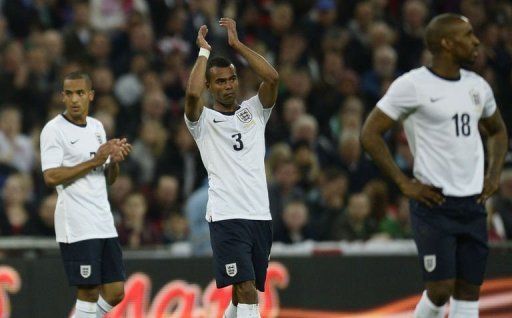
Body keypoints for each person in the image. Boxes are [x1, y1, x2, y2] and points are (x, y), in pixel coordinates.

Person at [361, 14, 508, 318]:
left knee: (469, 292)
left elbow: (497, 130)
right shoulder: (412, 85)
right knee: (440, 290)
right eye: (468, 35)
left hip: (473, 202)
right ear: (447, 43)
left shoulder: (477, 85)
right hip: (435, 202)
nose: (476, 41)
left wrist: (493, 174)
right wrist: (403, 183)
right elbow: (370, 133)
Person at [184, 18, 279, 318]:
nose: (228, 86)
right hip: (227, 216)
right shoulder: (202, 122)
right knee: (247, 289)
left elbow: (273, 78)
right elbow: (191, 96)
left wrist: (238, 46)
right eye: (220, 81)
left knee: (241, 296)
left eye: (232, 79)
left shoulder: (255, 111)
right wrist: (203, 53)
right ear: (210, 86)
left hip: (259, 215)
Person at [40, 71, 132, 318]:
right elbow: (50, 176)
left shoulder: (97, 127)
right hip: (77, 223)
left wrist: (113, 162)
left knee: (115, 293)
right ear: (62, 96)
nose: (74, 99)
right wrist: (95, 161)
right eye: (69, 93)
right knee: (89, 292)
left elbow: (109, 179)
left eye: (80, 93)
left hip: (103, 221)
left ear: (90, 95)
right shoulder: (54, 130)